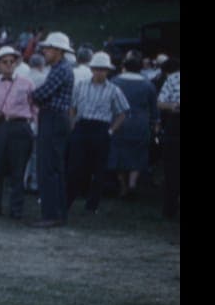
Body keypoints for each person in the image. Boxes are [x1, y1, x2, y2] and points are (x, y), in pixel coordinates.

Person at [66, 53, 129, 215]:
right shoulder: (80, 85)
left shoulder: (114, 90)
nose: (99, 72)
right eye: (96, 69)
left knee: (98, 169)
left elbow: (123, 112)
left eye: (103, 70)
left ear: (108, 71)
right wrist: (73, 125)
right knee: (75, 166)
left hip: (101, 129)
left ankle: (92, 205)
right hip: (82, 126)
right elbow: (72, 106)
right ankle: (67, 200)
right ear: (91, 69)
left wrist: (110, 131)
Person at [0, 46, 35, 219]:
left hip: (20, 127)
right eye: (5, 62)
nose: (9, 65)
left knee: (18, 170)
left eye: (12, 61)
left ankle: (16, 208)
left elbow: (35, 107)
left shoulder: (27, 84)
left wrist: (32, 126)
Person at [29, 31, 76, 227]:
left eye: (48, 49)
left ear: (58, 50)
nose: (45, 52)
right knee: (54, 166)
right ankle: (57, 213)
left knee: (48, 167)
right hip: (56, 118)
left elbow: (40, 94)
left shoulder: (60, 70)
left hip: (53, 118)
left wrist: (32, 95)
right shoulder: (62, 68)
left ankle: (51, 215)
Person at [110, 53, 158, 199]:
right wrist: (155, 123)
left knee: (118, 152)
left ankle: (123, 185)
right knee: (138, 152)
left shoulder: (115, 81)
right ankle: (132, 183)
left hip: (119, 120)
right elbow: (153, 107)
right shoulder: (148, 84)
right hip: (140, 122)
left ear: (125, 66)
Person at [157, 67, 180, 219]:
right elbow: (160, 102)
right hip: (175, 124)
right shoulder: (173, 78)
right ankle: (169, 210)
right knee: (172, 170)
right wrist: (172, 106)